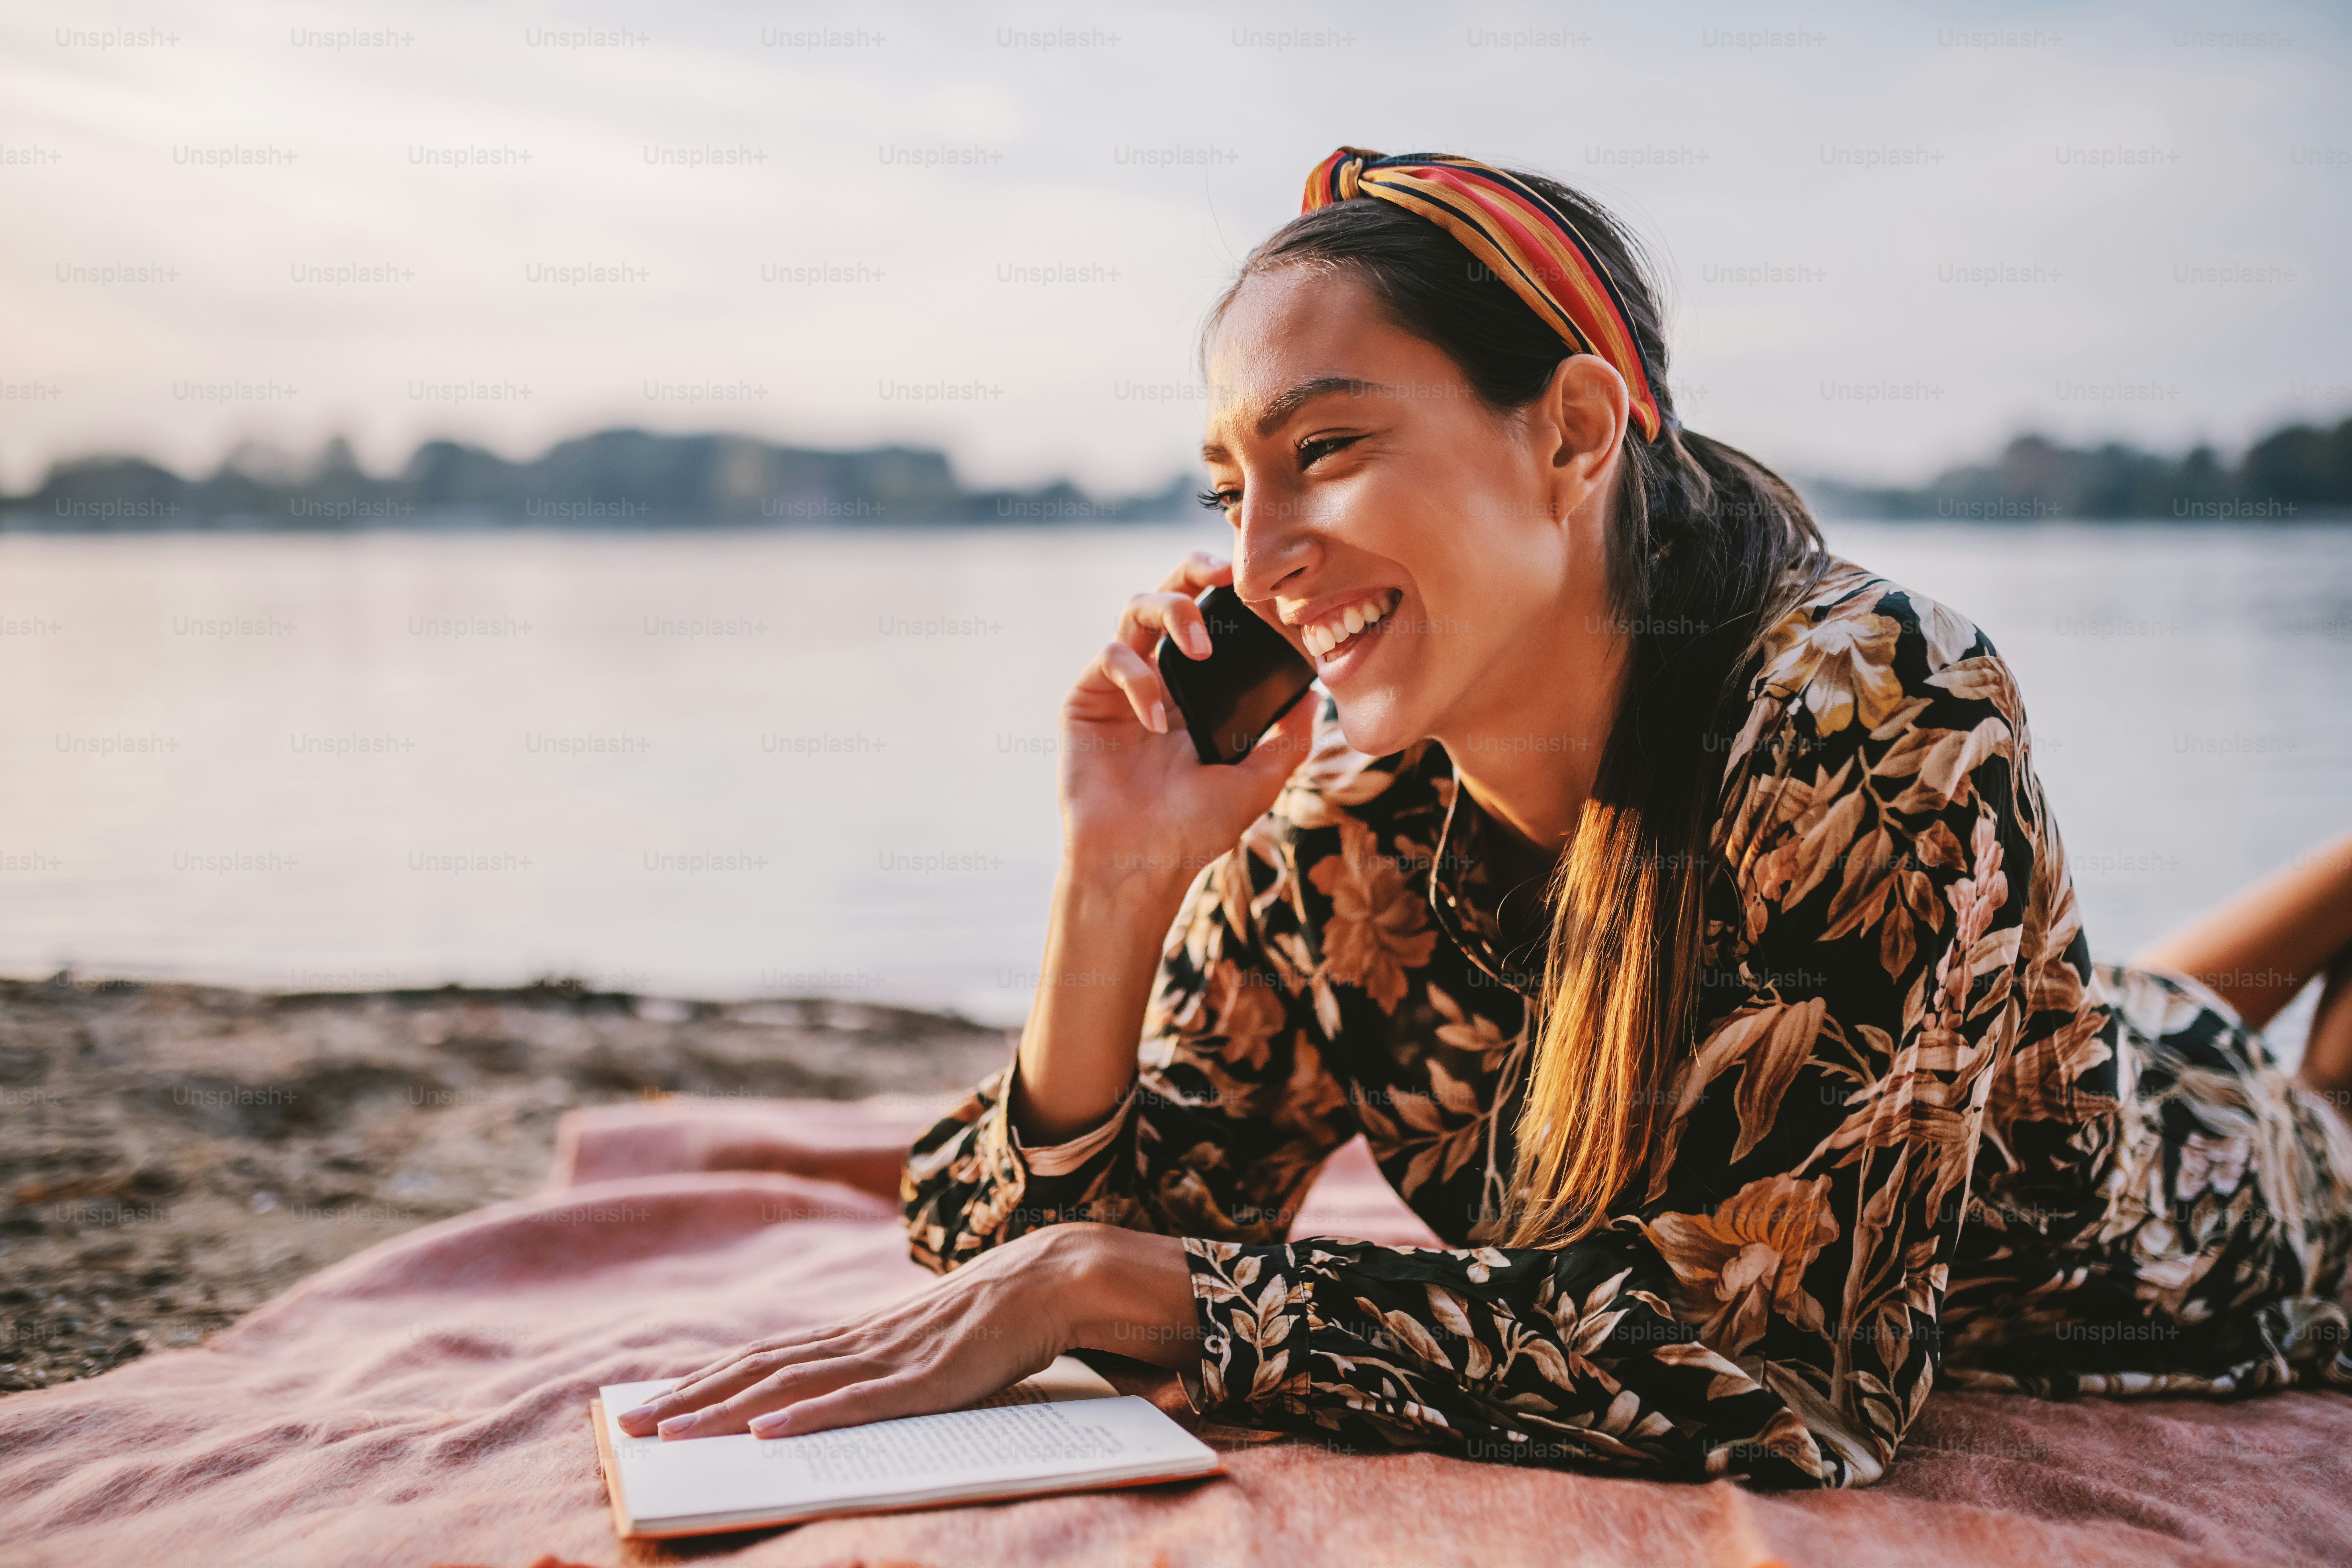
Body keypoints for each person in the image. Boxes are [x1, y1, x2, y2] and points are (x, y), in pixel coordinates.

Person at [615, 148, 2352, 1487]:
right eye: (1233, 486)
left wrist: (1144, 1291)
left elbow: (1781, 1372)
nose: (1254, 561)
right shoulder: (1338, 834)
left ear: (1575, 430)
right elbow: (1002, 1288)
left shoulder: (1874, 698)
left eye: (1331, 451)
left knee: (2264, 1087)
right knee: (2110, 1003)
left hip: (2185, 1194)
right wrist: (1117, 878)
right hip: (2018, 1027)